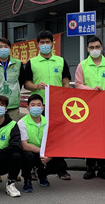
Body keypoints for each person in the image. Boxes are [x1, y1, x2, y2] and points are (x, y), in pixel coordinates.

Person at [23, 30, 72, 180]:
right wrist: (36, 86)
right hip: (38, 106)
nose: (45, 45)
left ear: (52, 44)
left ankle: (60, 168)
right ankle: (34, 167)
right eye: (42, 42)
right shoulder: (32, 62)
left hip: (57, 105)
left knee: (58, 136)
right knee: (37, 136)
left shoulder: (61, 61)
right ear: (38, 45)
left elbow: (66, 81)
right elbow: (26, 83)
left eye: (48, 42)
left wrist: (65, 94)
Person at [75, 36, 105, 180]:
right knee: (90, 137)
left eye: (97, 47)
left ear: (102, 48)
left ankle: (102, 167)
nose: (95, 50)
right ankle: (90, 167)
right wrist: (91, 90)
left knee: (104, 137)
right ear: (87, 49)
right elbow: (78, 84)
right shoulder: (82, 65)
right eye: (92, 47)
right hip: (88, 107)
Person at [18, 94, 68, 193]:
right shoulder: (22, 123)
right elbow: (24, 145)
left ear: (43, 107)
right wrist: (43, 152)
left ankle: (42, 174)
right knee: (27, 157)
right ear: (28, 108)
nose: (36, 107)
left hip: (46, 152)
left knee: (61, 165)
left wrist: (50, 155)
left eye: (38, 105)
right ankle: (27, 180)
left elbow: (55, 142)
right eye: (33, 105)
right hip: (30, 151)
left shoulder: (49, 122)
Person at [0, 37, 25, 122]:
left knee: (13, 127)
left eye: (6, 46)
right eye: (0, 47)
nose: (3, 49)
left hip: (13, 104)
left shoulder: (18, 64)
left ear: (10, 48)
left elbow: (21, 81)